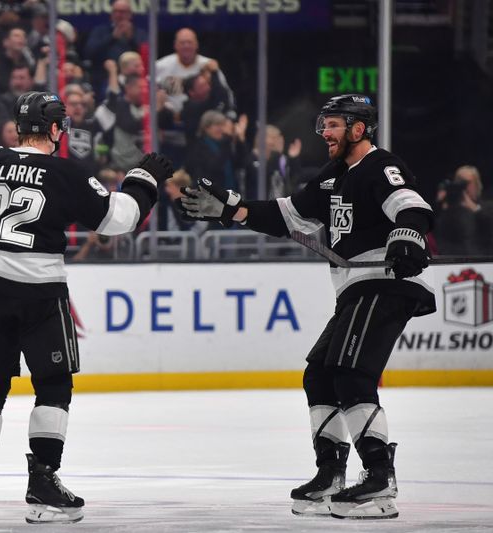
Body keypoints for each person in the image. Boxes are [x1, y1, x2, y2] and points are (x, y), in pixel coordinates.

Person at [0, 91, 173, 523]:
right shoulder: (65, 171)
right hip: (40, 295)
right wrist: (143, 179)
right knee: (53, 386)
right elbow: (117, 220)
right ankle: (43, 482)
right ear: (53, 129)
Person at [178, 94, 436, 520]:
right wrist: (230, 208)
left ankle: (379, 478)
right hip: (356, 287)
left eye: (334, 125)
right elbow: (289, 216)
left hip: (386, 283)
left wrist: (407, 237)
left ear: (359, 128)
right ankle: (330, 474)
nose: (325, 134)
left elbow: (410, 205)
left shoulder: (379, 165)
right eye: (325, 125)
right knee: (319, 375)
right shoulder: (333, 176)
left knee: (352, 373)